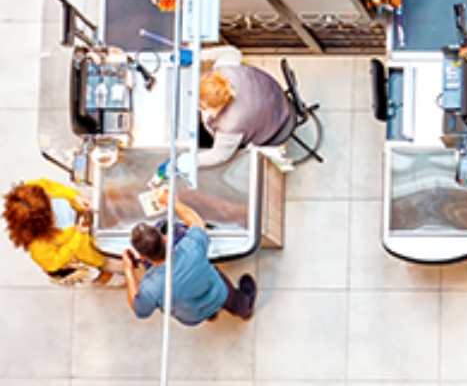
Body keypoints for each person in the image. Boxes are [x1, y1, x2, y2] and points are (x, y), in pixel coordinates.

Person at [123, 198, 257, 324]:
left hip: (192, 314)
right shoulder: (191, 247)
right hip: (217, 292)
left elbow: (139, 310)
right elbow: (197, 223)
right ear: (165, 239)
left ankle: (210, 315)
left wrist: (128, 269)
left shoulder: (150, 287)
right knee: (234, 300)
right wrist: (173, 201)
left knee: (194, 303)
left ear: (142, 257)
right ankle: (245, 311)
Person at [3, 179, 122, 286]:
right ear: (42, 221)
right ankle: (107, 271)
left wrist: (74, 198)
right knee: (109, 261)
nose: (50, 199)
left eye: (47, 197)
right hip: (90, 249)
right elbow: (53, 264)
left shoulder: (34, 190)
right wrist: (78, 236)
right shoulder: (38, 246)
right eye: (48, 203)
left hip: (84, 218)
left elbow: (55, 188)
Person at [195, 63, 294, 168]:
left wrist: (192, 160)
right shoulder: (226, 69)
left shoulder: (231, 126)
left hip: (275, 126)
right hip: (275, 96)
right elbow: (231, 51)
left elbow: (219, 156)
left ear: (218, 106)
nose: (199, 108)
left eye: (203, 107)